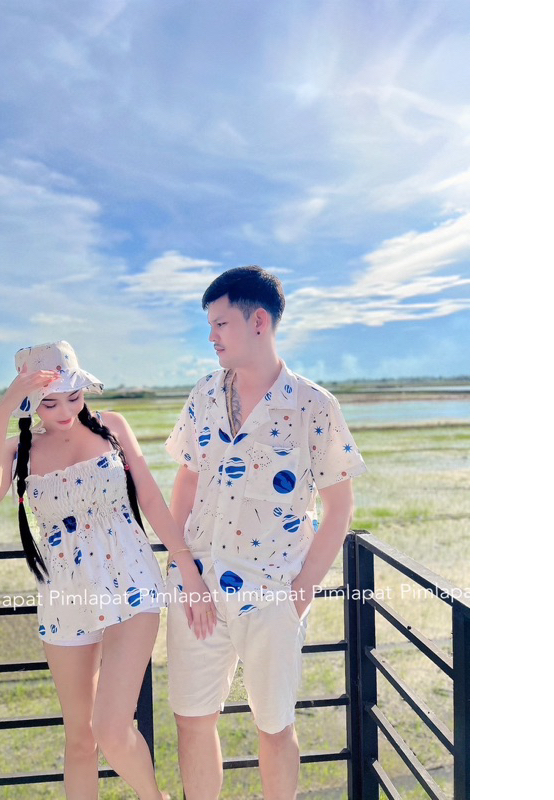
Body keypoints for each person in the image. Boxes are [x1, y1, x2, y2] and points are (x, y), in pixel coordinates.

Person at [0, 340, 215, 800]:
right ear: (30, 402)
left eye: (74, 396)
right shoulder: (19, 449)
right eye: (49, 403)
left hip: (132, 584)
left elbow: (150, 498)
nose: (65, 411)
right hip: (65, 597)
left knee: (110, 728)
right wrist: (3, 408)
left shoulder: (112, 427)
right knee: (80, 739)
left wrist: (187, 567)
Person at [164, 267, 367, 800]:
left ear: (258, 321)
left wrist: (299, 594)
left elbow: (339, 507)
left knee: (274, 727)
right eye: (209, 325)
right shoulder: (203, 395)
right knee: (192, 719)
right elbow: (186, 481)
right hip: (197, 587)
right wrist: (181, 568)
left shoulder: (313, 406)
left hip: (272, 591)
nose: (212, 336)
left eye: (221, 323)